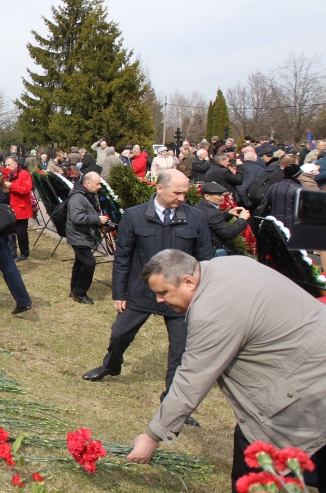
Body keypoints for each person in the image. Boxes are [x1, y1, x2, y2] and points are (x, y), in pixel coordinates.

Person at [126, 251, 326, 493]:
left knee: (260, 447)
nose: (160, 300)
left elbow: (192, 379)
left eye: (164, 292)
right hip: (310, 358)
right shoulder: (227, 264)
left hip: (309, 386)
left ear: (187, 281)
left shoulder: (212, 312)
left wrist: (151, 436)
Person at [82, 169, 214, 418]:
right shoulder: (134, 216)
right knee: (120, 333)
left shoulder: (195, 218)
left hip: (180, 299)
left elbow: (205, 260)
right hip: (141, 292)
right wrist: (119, 293)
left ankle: (173, 402)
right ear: (159, 188)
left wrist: (201, 297)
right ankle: (110, 366)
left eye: (185, 193)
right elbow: (122, 257)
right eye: (178, 193)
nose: (182, 198)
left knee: (181, 350)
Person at [66, 171, 109, 304]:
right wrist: (97, 219)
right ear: (87, 183)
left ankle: (74, 289)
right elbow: (77, 218)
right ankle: (80, 292)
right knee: (89, 263)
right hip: (78, 236)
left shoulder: (88, 194)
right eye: (97, 184)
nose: (100, 186)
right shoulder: (78, 198)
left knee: (80, 262)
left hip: (82, 235)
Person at [196, 183, 250, 256]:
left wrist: (228, 213)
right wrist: (242, 219)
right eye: (219, 195)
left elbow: (213, 224)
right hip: (214, 251)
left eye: (222, 195)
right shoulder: (212, 213)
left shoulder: (199, 207)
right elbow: (228, 233)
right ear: (207, 196)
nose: (222, 197)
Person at [3, 155, 33, 261]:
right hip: (10, 208)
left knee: (21, 233)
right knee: (10, 232)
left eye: (9, 165)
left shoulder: (24, 174)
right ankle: (12, 252)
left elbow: (26, 189)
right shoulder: (7, 175)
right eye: (5, 165)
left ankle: (24, 253)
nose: (7, 167)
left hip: (21, 208)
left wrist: (12, 186)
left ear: (16, 164)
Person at [262, 163, 303, 230]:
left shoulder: (274, 186)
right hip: (292, 225)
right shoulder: (299, 190)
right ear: (297, 175)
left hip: (274, 223)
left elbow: (265, 201)